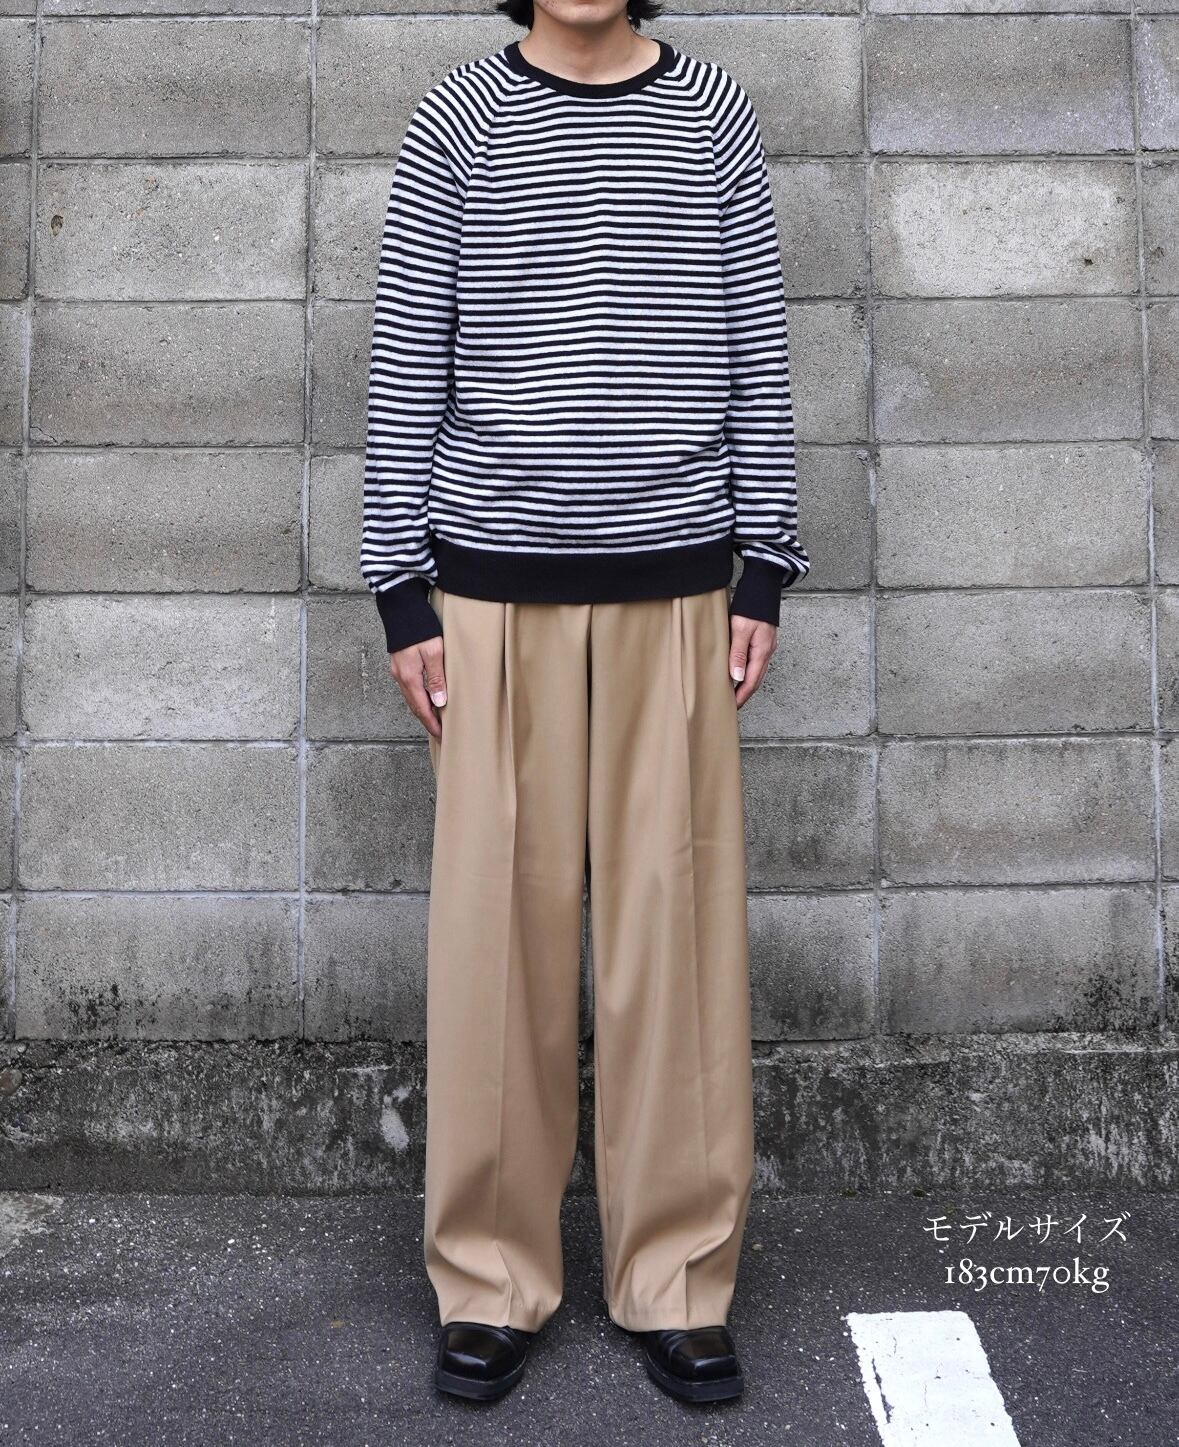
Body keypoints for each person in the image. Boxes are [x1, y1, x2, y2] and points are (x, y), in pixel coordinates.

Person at [360, 0, 809, 1407]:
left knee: (676, 939)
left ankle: (676, 1277)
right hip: (492, 594)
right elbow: (404, 360)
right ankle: (491, 1280)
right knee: (494, 942)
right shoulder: (460, 117)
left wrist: (765, 562)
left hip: (679, 587)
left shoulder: (712, 113)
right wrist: (401, 590)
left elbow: (757, 344)